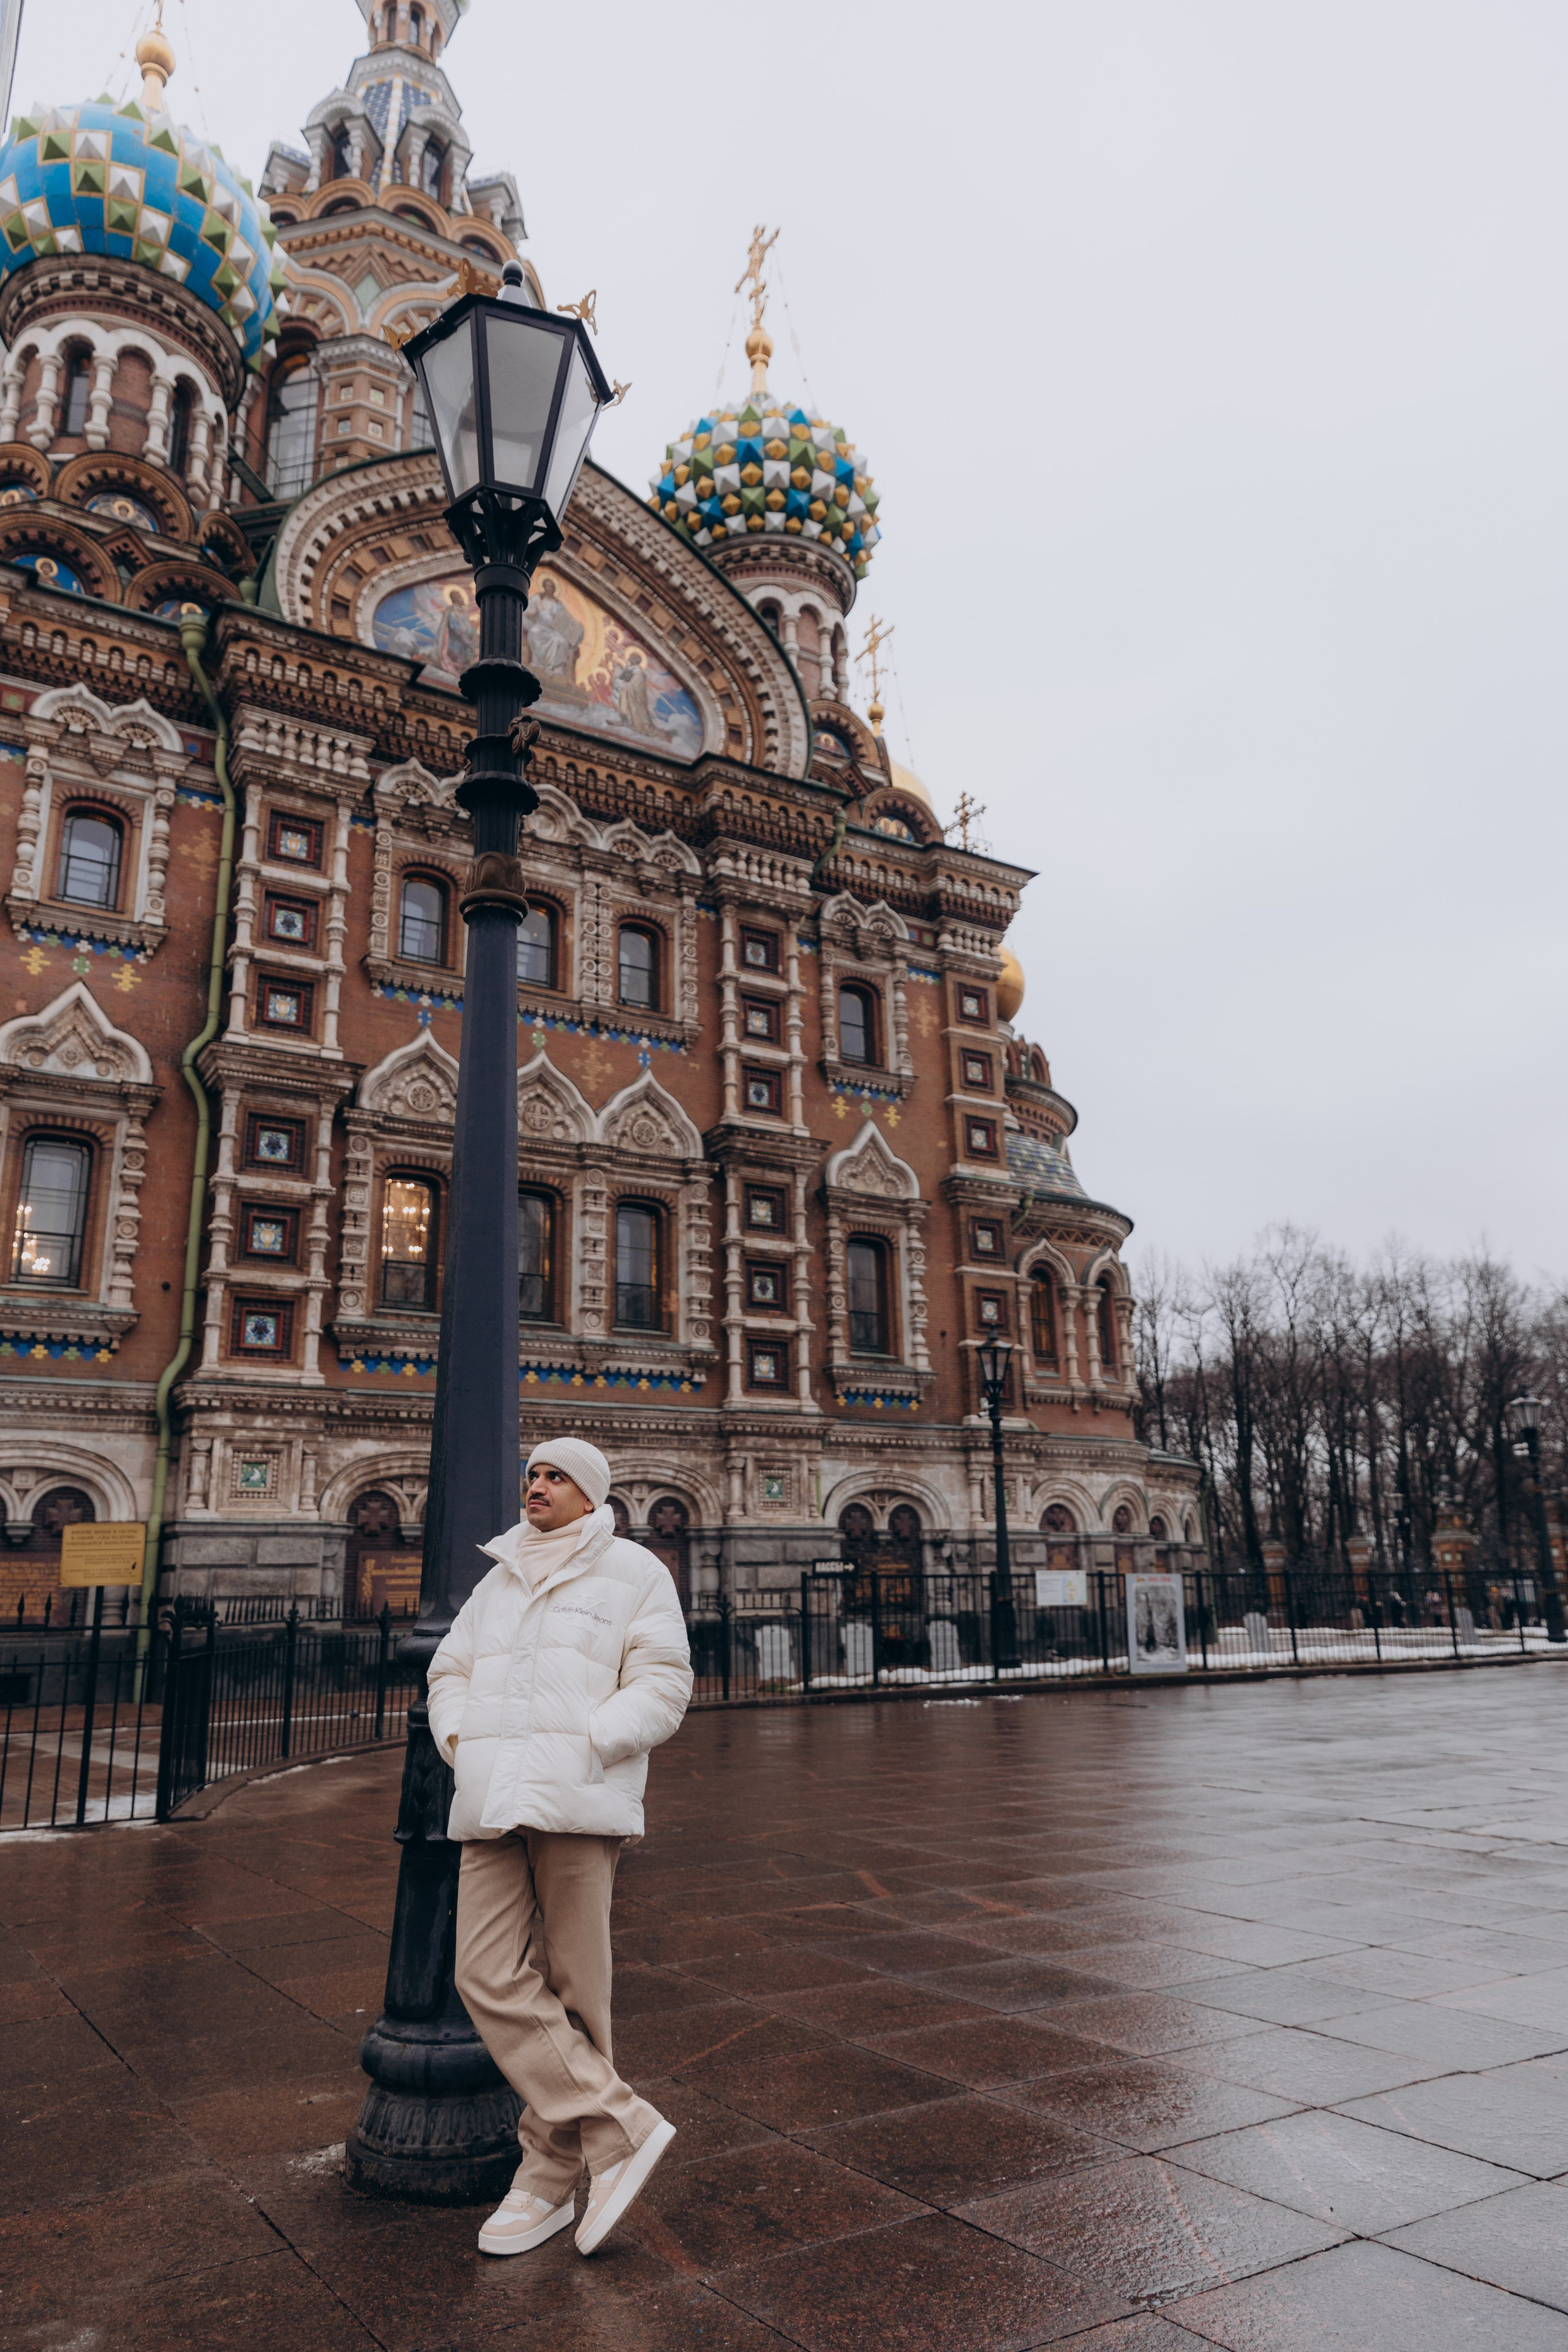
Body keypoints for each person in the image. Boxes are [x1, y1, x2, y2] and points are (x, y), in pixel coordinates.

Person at [427, 1437, 692, 2259]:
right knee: (483, 1969)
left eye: (554, 1476)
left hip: (578, 1798)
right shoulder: (499, 1573)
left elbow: (664, 1682)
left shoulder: (635, 1573)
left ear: (591, 1495)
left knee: (578, 1986)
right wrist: (461, 1740)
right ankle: (621, 2128)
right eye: (532, 1473)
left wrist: (590, 1743)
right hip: (492, 1794)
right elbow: (450, 1669)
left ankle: (546, 2178)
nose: (535, 1485)